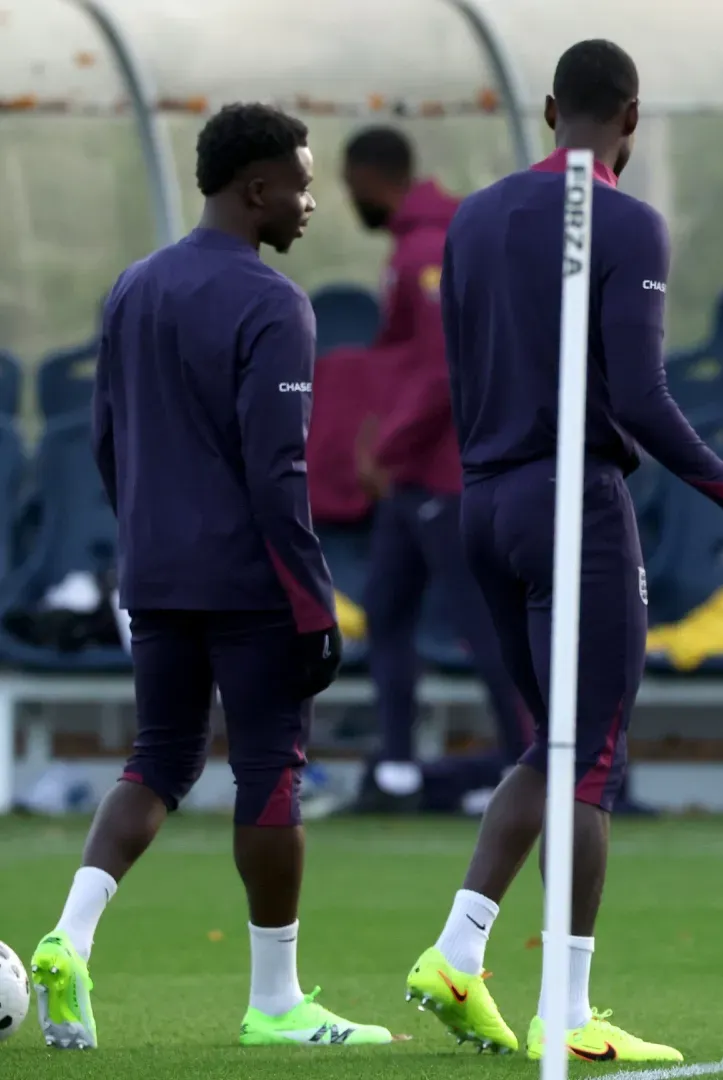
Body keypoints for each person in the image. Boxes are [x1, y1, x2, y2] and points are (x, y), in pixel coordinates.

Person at [403, 39, 723, 1063]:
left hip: (483, 501)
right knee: (590, 760)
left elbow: (456, 371)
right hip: (570, 502)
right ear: (632, 118)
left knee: (555, 743)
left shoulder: (473, 218)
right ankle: (566, 1012)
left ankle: (457, 953)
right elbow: (640, 399)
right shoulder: (625, 221)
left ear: (547, 110)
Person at [30, 102, 393, 1049]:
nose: (310, 203)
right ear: (256, 188)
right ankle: (276, 1002)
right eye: (300, 186)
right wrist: (314, 601)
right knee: (270, 772)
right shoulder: (275, 305)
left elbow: (106, 439)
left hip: (154, 572)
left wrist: (146, 538)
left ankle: (69, 937)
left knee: (158, 760)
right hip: (249, 581)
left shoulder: (132, 287)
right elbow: (278, 470)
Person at [337, 125, 533, 813]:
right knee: (387, 611)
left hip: (446, 471)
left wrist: (385, 447)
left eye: (348, 186)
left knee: (482, 625)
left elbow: (442, 369)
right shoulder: (420, 244)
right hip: (413, 475)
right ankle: (396, 771)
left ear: (370, 178)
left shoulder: (428, 250)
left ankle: (530, 769)